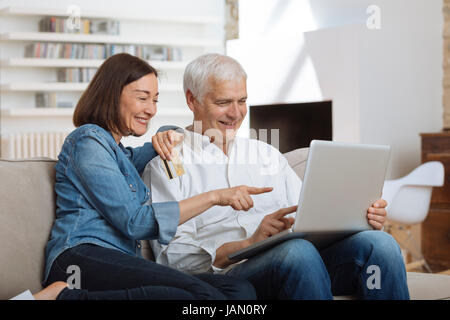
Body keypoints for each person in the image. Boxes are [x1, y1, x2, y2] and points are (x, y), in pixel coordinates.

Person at [143, 53, 410, 300]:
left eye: (242, 101)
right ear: (192, 100)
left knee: (380, 245)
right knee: (297, 253)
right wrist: (248, 243)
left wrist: (360, 219)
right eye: (223, 102)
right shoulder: (168, 164)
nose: (236, 113)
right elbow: (172, 258)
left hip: (302, 264)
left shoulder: (266, 154)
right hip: (232, 274)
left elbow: (308, 219)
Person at [36, 53, 261, 300]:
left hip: (118, 261)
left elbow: (157, 144)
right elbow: (135, 221)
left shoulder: (120, 154)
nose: (152, 109)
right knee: (201, 295)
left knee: (238, 289)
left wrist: (170, 134)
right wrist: (216, 196)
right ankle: (62, 297)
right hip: (78, 261)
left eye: (155, 100)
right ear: (112, 95)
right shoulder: (87, 141)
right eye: (143, 98)